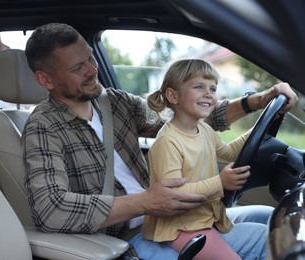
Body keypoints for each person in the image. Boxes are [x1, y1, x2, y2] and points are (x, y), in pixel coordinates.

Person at [22, 22, 298, 259]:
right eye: (78, 67)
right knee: (272, 241)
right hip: (121, 239)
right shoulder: (43, 127)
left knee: (269, 219)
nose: (92, 70)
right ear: (45, 79)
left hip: (167, 218)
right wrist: (145, 202)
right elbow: (51, 208)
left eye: (91, 58)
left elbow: (183, 121)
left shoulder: (114, 102)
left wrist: (254, 102)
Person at [143, 59, 261, 259]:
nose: (209, 94)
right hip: (180, 227)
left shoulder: (204, 129)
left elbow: (229, 153)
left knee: (267, 225)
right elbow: (173, 195)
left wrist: (257, 129)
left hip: (202, 218)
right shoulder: (168, 142)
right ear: (173, 95)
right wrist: (220, 182)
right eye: (199, 87)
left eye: (213, 89)